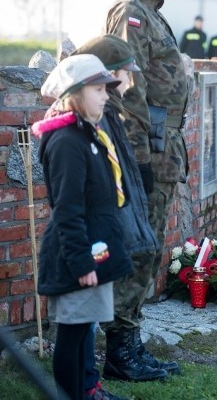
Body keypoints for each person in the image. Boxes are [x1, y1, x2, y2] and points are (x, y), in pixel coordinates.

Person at [33, 54, 135, 399]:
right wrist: (81, 263)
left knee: (82, 333)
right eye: (97, 89)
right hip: (77, 258)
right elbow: (67, 209)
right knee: (72, 336)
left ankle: (81, 391)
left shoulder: (87, 133)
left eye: (106, 88)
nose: (106, 95)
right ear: (75, 94)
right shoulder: (66, 142)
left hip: (95, 251)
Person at [73, 34, 168, 387]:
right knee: (127, 270)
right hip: (113, 208)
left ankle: (129, 346)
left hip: (127, 201)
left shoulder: (116, 105)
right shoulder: (103, 110)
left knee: (140, 263)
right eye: (125, 71)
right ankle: (120, 353)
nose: (130, 78)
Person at [106, 0, 188, 379]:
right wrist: (138, 157)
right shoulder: (130, 12)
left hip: (162, 143)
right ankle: (119, 350)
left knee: (149, 246)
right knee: (138, 248)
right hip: (148, 147)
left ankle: (130, 340)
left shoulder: (150, 10)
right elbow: (125, 90)